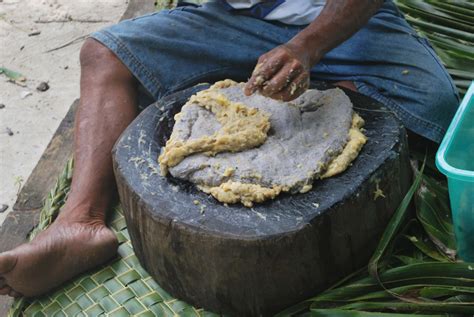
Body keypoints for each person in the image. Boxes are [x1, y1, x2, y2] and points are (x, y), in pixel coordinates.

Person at [0, 0, 459, 298]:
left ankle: (319, 87)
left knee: (432, 103)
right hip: (231, 21)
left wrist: (307, 47)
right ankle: (80, 222)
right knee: (106, 53)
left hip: (342, 23)